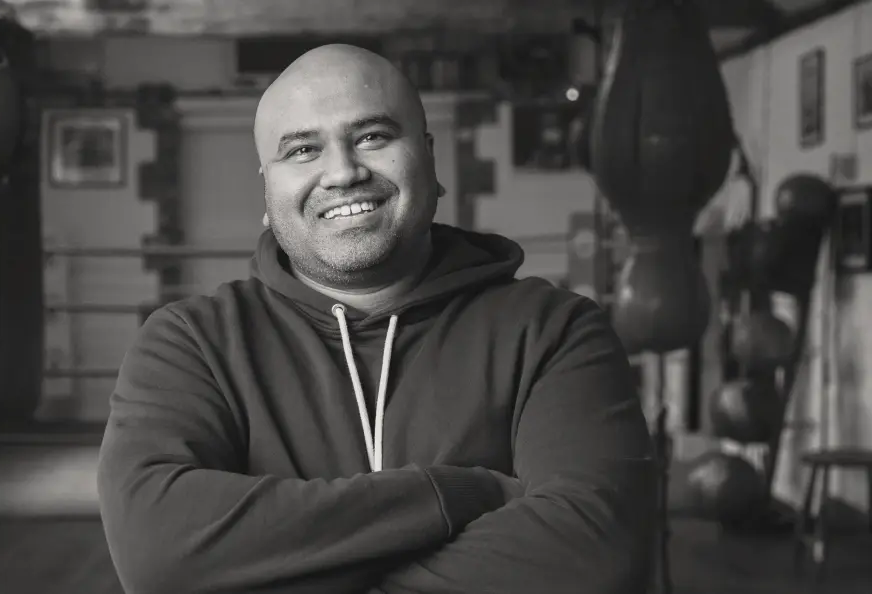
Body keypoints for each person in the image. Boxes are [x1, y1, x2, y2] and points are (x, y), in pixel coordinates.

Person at [98, 44, 657, 594]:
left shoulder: (554, 330)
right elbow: (158, 553)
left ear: (430, 159)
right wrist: (448, 497)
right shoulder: (190, 343)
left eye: (372, 137)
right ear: (266, 191)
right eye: (301, 150)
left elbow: (592, 553)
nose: (342, 172)